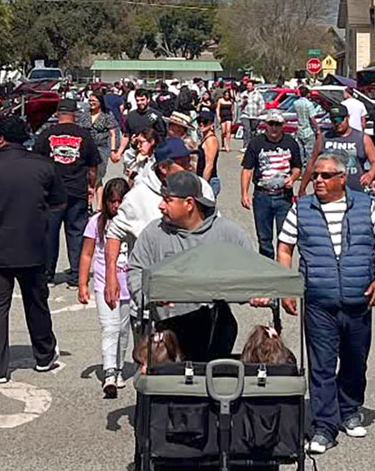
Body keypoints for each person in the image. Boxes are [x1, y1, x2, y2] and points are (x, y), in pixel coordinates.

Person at [276, 154, 375, 454]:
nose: (318, 180)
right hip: (319, 301)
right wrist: (286, 287)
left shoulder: (364, 205)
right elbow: (285, 247)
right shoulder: (302, 208)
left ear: (342, 179)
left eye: (325, 175)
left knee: (355, 360)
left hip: (358, 299)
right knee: (321, 365)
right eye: (315, 175)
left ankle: (350, 409)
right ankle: (324, 426)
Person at [0, 114, 66, 383]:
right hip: (33, 246)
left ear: (0, 139)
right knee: (36, 302)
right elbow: (59, 201)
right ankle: (44, 355)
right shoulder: (44, 167)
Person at [125, 170, 251, 362]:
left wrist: (255, 293)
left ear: (189, 203)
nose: (160, 205)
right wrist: (149, 294)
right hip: (169, 335)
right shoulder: (153, 234)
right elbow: (135, 271)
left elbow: (252, 272)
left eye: (168, 200)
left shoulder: (228, 234)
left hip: (215, 332)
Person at [103, 136, 197, 299]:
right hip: (152, 293)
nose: (189, 166)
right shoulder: (137, 197)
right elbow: (114, 234)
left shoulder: (201, 189)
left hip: (193, 288)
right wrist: (111, 275)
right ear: (163, 168)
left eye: (189, 160)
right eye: (183, 162)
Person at [33, 98, 101, 286]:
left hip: (51, 193)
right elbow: (93, 167)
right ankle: (76, 276)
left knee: (49, 234)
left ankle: (47, 275)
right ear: (75, 114)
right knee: (77, 234)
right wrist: (91, 186)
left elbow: (36, 164)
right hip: (77, 190)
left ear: (57, 114)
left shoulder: (46, 134)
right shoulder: (84, 135)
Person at [79, 178, 132, 397]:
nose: (116, 206)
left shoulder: (133, 222)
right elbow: (86, 254)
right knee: (110, 328)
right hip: (104, 284)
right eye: (112, 201)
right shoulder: (96, 222)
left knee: (123, 330)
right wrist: (83, 284)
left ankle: (119, 368)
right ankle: (109, 372)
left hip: (128, 286)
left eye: (120, 201)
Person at [241, 109, 303, 257]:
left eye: (278, 124)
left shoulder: (290, 142)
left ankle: (282, 266)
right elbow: (247, 169)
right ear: (266, 125)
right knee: (264, 239)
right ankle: (267, 267)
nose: (274, 128)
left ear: (283, 125)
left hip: (284, 196)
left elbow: (297, 167)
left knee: (285, 238)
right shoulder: (256, 143)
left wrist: (292, 178)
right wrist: (244, 193)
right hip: (262, 196)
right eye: (271, 124)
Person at [304, 104, 375, 195]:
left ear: (347, 117)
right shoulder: (323, 137)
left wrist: (370, 174)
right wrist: (302, 187)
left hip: (355, 190)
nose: (337, 123)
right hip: (328, 192)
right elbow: (312, 163)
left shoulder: (362, 138)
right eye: (334, 120)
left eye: (340, 120)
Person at [85, 91, 121, 185]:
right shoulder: (85, 115)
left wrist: (113, 150)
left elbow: (113, 134)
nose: (91, 103)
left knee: (98, 175)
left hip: (101, 149)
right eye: (90, 101)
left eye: (94, 101)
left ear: (100, 102)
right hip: (87, 148)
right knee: (87, 176)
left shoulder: (107, 116)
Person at [290, 86, 322, 165]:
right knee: (310, 152)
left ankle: (301, 167)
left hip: (300, 129)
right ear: (307, 94)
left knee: (301, 151)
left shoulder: (296, 103)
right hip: (309, 130)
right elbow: (312, 118)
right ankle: (309, 167)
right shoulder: (309, 104)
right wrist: (317, 129)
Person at [194, 108, 222, 197]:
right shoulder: (205, 138)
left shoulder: (211, 140)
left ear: (212, 124)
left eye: (205, 122)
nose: (201, 124)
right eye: (199, 121)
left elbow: (209, 166)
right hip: (202, 179)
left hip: (209, 181)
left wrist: (203, 186)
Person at [238, 78, 265, 145]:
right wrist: (243, 102)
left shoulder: (258, 94)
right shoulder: (243, 94)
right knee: (246, 129)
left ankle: (252, 144)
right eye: (247, 85)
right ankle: (246, 145)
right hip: (245, 114)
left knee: (253, 131)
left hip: (255, 115)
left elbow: (262, 105)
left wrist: (259, 112)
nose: (248, 87)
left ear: (253, 86)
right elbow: (238, 104)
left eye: (250, 85)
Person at [215, 85, 236, 151]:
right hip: (222, 116)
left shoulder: (231, 101)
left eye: (228, 95)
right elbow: (217, 109)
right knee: (223, 131)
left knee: (228, 130)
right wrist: (218, 116)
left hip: (229, 116)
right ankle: (223, 143)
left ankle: (228, 145)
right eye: (226, 95)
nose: (227, 96)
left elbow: (232, 110)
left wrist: (233, 117)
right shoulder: (220, 100)